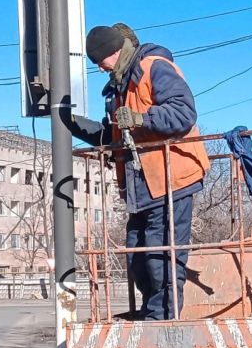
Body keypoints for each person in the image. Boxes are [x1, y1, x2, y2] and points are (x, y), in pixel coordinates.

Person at [67, 24, 210, 320]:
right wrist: (75, 124)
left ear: (115, 52)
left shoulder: (153, 67)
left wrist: (140, 118)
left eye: (100, 61)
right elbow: (119, 136)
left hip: (173, 179)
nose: (100, 68)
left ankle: (163, 326)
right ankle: (153, 315)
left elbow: (184, 114)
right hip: (142, 185)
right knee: (138, 257)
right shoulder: (120, 85)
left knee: (161, 258)